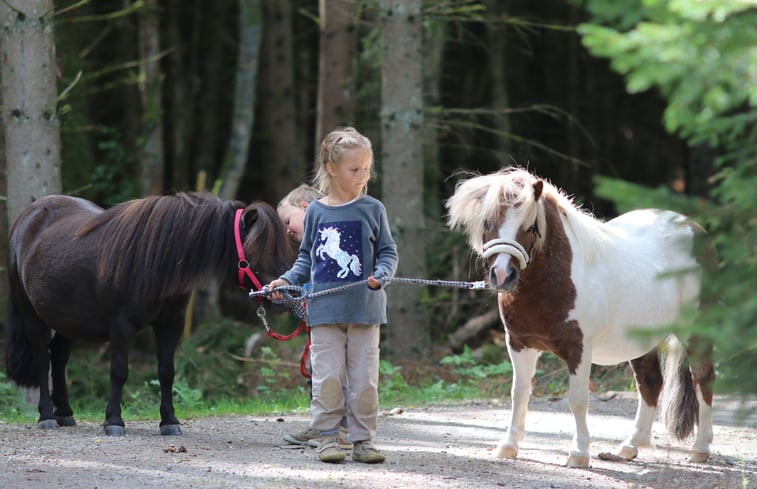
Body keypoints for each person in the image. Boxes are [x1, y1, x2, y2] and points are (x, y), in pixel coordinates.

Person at [268, 126, 398, 464]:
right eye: (355, 169)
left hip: (365, 312)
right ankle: (327, 438)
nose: (362, 175)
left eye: (367, 169)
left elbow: (388, 253)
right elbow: (306, 258)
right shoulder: (316, 212)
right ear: (331, 168)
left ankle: (363, 441)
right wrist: (286, 281)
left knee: (365, 381)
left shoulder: (373, 208)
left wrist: (382, 276)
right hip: (323, 313)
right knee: (327, 378)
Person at [276, 184, 351, 451]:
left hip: (342, 320)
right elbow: (307, 286)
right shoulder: (310, 251)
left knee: (338, 373)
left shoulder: (338, 235)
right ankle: (323, 425)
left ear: (306, 208)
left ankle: (340, 430)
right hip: (321, 321)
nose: (286, 230)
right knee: (317, 373)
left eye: (287, 220)